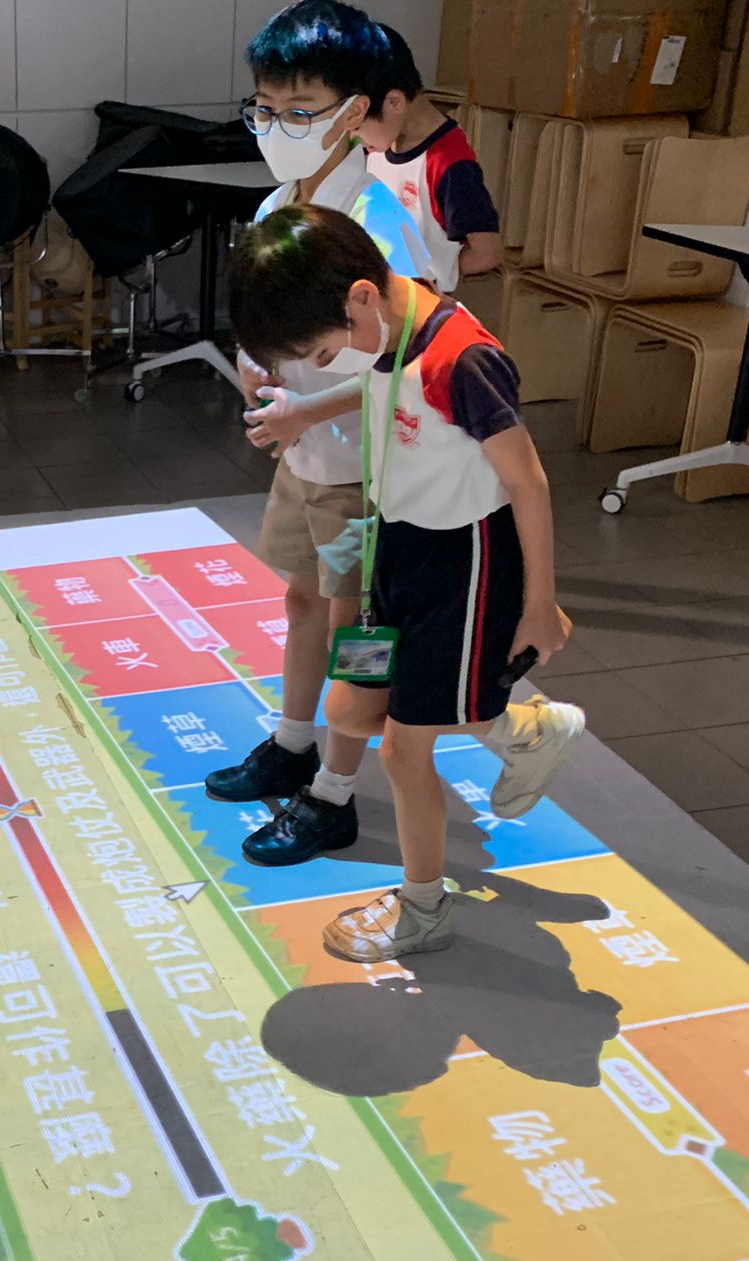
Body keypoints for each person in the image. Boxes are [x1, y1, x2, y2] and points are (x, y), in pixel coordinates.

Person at [228, 204, 585, 960]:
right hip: (395, 548)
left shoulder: (463, 359)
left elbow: (529, 481)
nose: (328, 363)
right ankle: (525, 730)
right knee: (350, 710)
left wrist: (540, 603)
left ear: (360, 297)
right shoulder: (390, 333)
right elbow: (378, 393)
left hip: (462, 566)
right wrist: (306, 417)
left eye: (324, 351)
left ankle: (422, 909)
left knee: (400, 752)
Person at [208, 0, 436, 869]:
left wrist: (306, 408)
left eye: (300, 110)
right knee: (304, 601)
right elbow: (265, 316)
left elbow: (406, 360)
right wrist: (254, 365)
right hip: (304, 454)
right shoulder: (281, 202)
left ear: (354, 113)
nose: (278, 128)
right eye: (265, 108)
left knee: (359, 633)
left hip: (366, 469)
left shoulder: (379, 223)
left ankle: (335, 793)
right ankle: (292, 742)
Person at [356, 21, 501, 295]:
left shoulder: (450, 166)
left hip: (417, 302)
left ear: (394, 102)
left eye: (356, 125)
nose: (353, 136)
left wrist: (441, 272)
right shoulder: (382, 139)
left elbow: (487, 253)